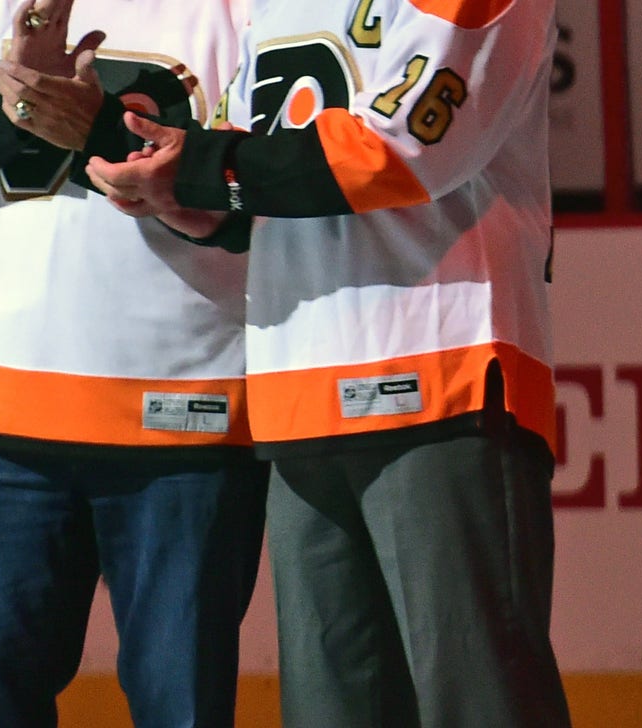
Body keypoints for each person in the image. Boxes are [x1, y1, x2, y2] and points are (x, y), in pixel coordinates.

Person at [77, 0, 574, 725]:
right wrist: (183, 196)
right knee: (330, 711)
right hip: (298, 387)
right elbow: (264, 177)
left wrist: (213, 166)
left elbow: (407, 144)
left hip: (441, 375)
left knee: (479, 703)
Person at [0, 1, 267, 726]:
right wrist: (23, 99)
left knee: (180, 709)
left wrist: (90, 123)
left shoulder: (252, 10)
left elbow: (262, 199)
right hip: (5, 421)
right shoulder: (0, 4)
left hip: (187, 419)